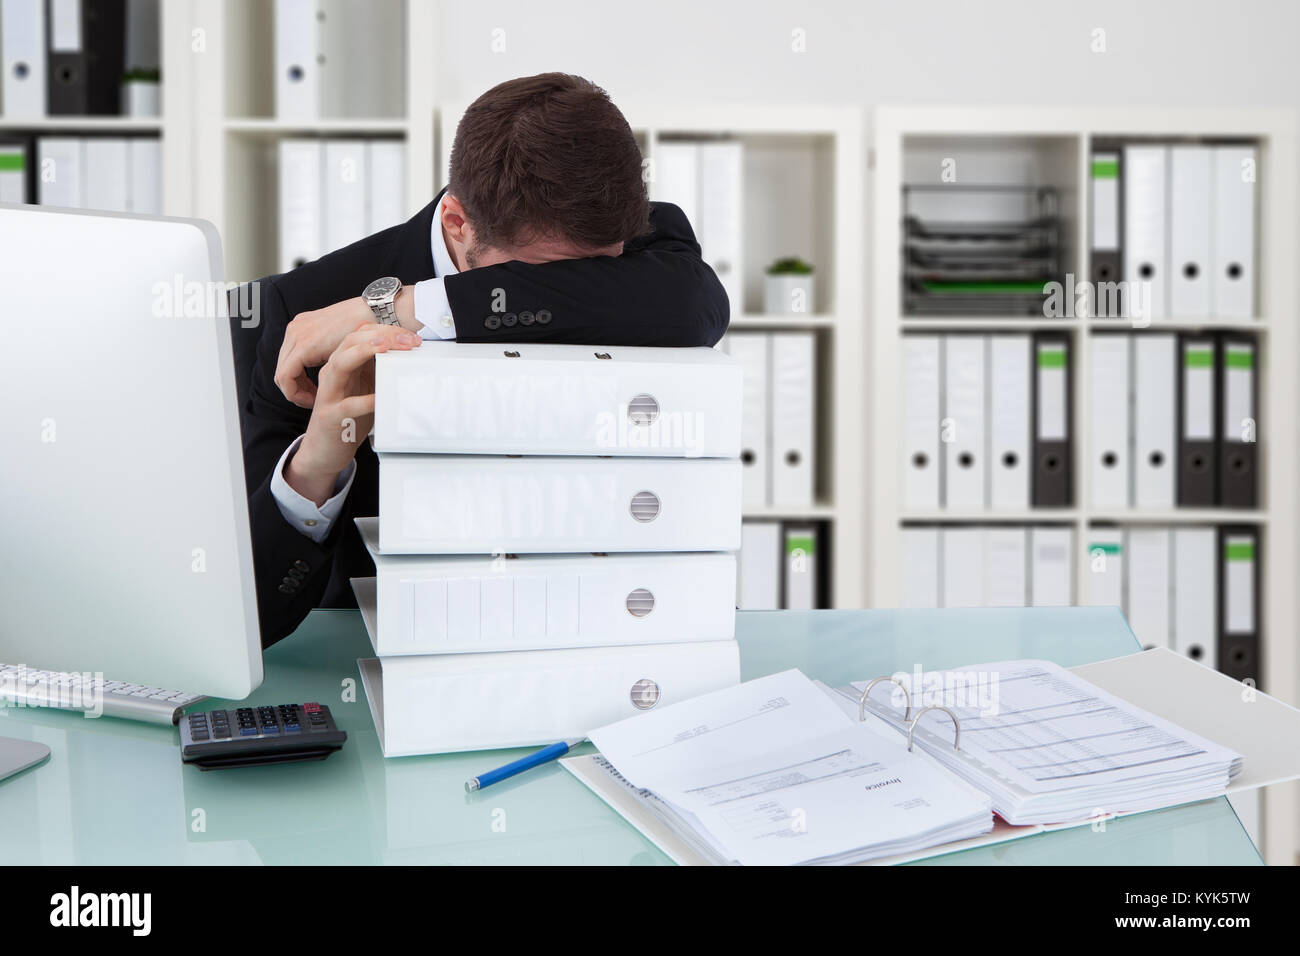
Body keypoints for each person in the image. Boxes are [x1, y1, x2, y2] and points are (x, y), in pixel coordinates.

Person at [234, 73, 730, 647]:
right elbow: (252, 613)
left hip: (621, 630)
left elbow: (698, 307)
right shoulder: (302, 316)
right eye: (537, 273)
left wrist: (415, 303)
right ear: (457, 222)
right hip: (397, 651)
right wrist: (314, 470)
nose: (564, 291)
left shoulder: (647, 242)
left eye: (597, 269)